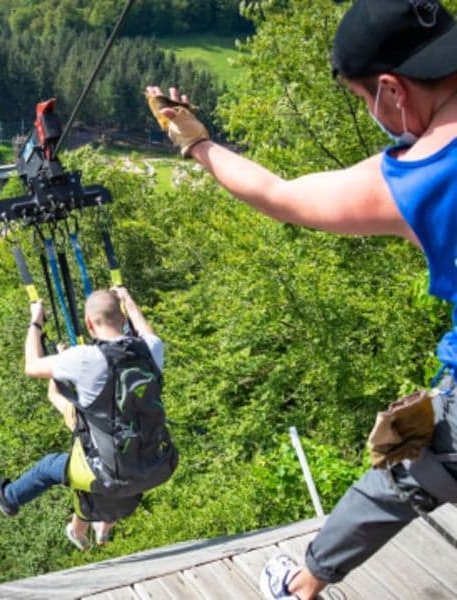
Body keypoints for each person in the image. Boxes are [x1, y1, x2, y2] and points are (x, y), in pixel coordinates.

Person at [146, 0, 457, 598]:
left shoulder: (422, 177)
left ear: (392, 89)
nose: (373, 113)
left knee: (407, 465)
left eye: (366, 101)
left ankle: (298, 585)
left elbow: (281, 195)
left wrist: (195, 142)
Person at [0, 287, 167, 550]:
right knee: (89, 467)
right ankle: (97, 523)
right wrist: (129, 299)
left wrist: (36, 320)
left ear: (89, 323)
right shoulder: (151, 350)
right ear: (124, 318)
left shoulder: (84, 358)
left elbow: (32, 366)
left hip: (112, 471)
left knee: (50, 467)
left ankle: (10, 498)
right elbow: (148, 332)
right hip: (154, 464)